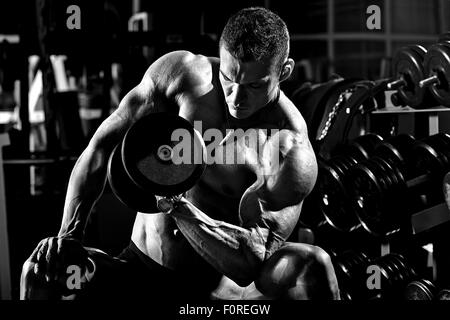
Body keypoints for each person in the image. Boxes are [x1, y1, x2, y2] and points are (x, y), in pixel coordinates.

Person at [20, 7, 340, 300]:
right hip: (141, 266)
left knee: (311, 265)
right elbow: (101, 146)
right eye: (229, 79)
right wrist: (69, 234)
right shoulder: (183, 74)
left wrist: (175, 206)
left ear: (284, 71)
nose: (237, 98)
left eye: (255, 85)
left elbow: (248, 261)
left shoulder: (287, 146)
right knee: (39, 271)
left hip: (218, 287)